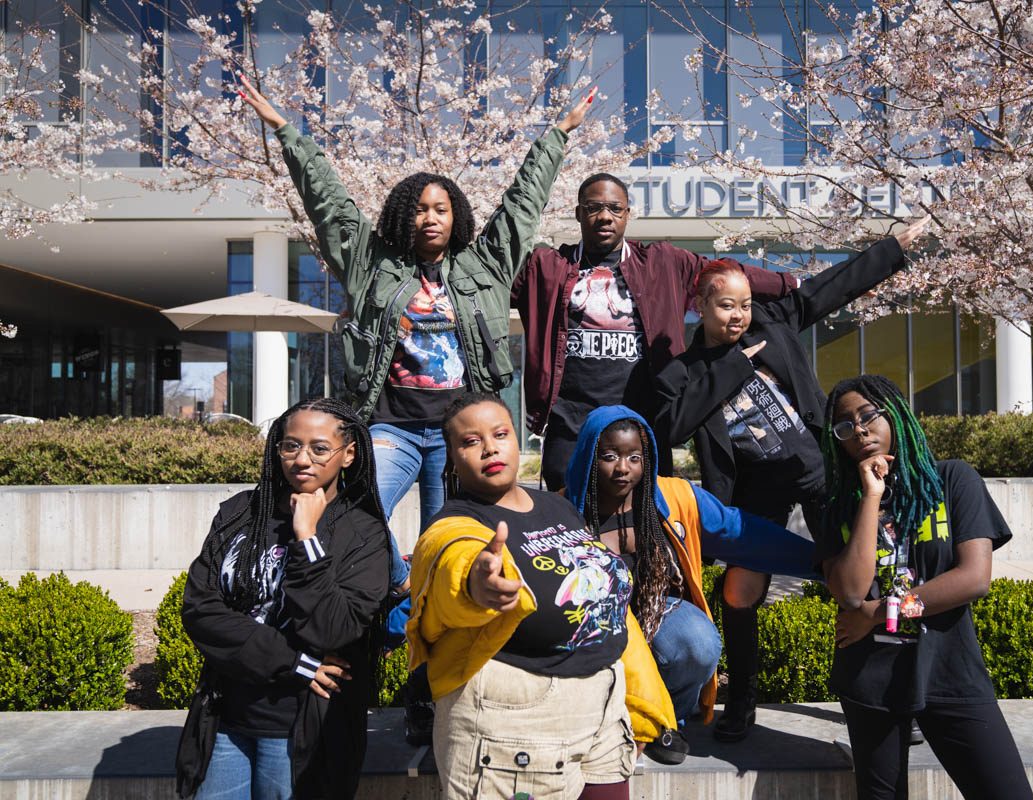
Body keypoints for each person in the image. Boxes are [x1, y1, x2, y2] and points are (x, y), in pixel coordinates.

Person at [238, 72, 596, 744]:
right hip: (389, 427)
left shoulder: (486, 265)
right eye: (421, 209)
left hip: (459, 437)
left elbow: (524, 201)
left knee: (447, 550)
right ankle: (388, 611)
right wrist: (287, 132)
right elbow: (329, 203)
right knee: (355, 521)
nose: (432, 217)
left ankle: (426, 687)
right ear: (404, 217)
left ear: (456, 214)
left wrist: (557, 136)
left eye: (442, 208)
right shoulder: (373, 267)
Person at [653, 218, 929, 741]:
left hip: (824, 470)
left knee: (866, 580)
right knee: (738, 593)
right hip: (756, 491)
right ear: (700, 306)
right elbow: (677, 423)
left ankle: (888, 701)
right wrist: (732, 366)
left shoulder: (774, 322)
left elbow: (832, 288)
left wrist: (891, 248)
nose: (738, 315)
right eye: (725, 306)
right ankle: (744, 702)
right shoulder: (686, 369)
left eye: (743, 304)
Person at [407, 393, 675, 799]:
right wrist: (477, 585)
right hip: (512, 726)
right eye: (470, 441)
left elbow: (608, 607)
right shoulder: (452, 525)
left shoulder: (559, 506)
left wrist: (644, 706)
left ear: (517, 440)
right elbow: (452, 564)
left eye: (500, 434)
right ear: (451, 457)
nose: (490, 447)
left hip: (601, 716)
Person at [814, 375, 1033, 800]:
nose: (859, 430)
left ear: (895, 414)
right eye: (844, 426)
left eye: (868, 415)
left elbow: (974, 578)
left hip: (950, 670)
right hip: (871, 680)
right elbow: (850, 594)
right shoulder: (838, 504)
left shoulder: (953, 481)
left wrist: (881, 613)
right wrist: (870, 498)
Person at [511, 172, 797, 491]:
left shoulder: (661, 262)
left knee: (646, 523)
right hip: (571, 424)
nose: (605, 216)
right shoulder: (547, 266)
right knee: (569, 518)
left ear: (627, 214)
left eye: (614, 208)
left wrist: (794, 284)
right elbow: (491, 286)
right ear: (579, 213)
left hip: (644, 421)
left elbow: (728, 274)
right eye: (593, 207)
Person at [562, 405, 818, 760]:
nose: (623, 468)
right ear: (590, 455)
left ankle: (667, 722)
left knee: (697, 641)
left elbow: (739, 533)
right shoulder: (562, 512)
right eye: (609, 456)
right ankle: (606, 725)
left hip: (655, 615)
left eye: (634, 457)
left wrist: (821, 563)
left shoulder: (673, 498)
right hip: (595, 627)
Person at [176, 398, 390, 799]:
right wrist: (295, 661)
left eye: (319, 448)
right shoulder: (241, 512)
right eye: (290, 445)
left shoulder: (363, 533)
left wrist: (306, 538)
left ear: (348, 455)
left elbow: (333, 628)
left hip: (299, 729)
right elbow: (200, 610)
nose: (302, 459)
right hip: (226, 720)